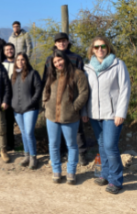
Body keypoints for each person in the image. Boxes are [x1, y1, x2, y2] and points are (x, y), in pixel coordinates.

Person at [82, 36, 131, 194]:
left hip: (112, 114)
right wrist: (84, 112)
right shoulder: (88, 68)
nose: (100, 49)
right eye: (96, 47)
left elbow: (125, 89)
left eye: (103, 46)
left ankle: (116, 180)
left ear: (108, 48)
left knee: (110, 146)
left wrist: (121, 112)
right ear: (92, 50)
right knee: (102, 145)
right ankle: (105, 174)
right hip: (94, 114)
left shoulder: (118, 64)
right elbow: (85, 92)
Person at [43, 50, 89, 185]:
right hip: (51, 116)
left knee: (72, 145)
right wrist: (45, 103)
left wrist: (74, 108)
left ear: (65, 59)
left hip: (70, 117)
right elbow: (45, 90)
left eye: (60, 60)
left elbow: (84, 93)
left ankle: (71, 172)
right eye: (55, 62)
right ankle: (56, 171)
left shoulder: (77, 74)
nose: (58, 63)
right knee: (53, 145)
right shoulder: (51, 74)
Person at [11, 53, 42, 169]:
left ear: (26, 61)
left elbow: (39, 89)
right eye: (18, 60)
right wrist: (12, 104)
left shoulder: (33, 74)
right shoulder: (13, 76)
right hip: (17, 109)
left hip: (30, 108)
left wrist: (32, 102)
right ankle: (27, 155)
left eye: (22, 59)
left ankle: (34, 157)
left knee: (29, 132)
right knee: (23, 132)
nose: (20, 62)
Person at [2, 42, 16, 150]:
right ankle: (9, 144)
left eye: (11, 49)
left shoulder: (19, 63)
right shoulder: (2, 65)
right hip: (6, 96)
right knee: (8, 121)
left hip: (18, 96)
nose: (9, 51)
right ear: (4, 52)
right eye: (7, 50)